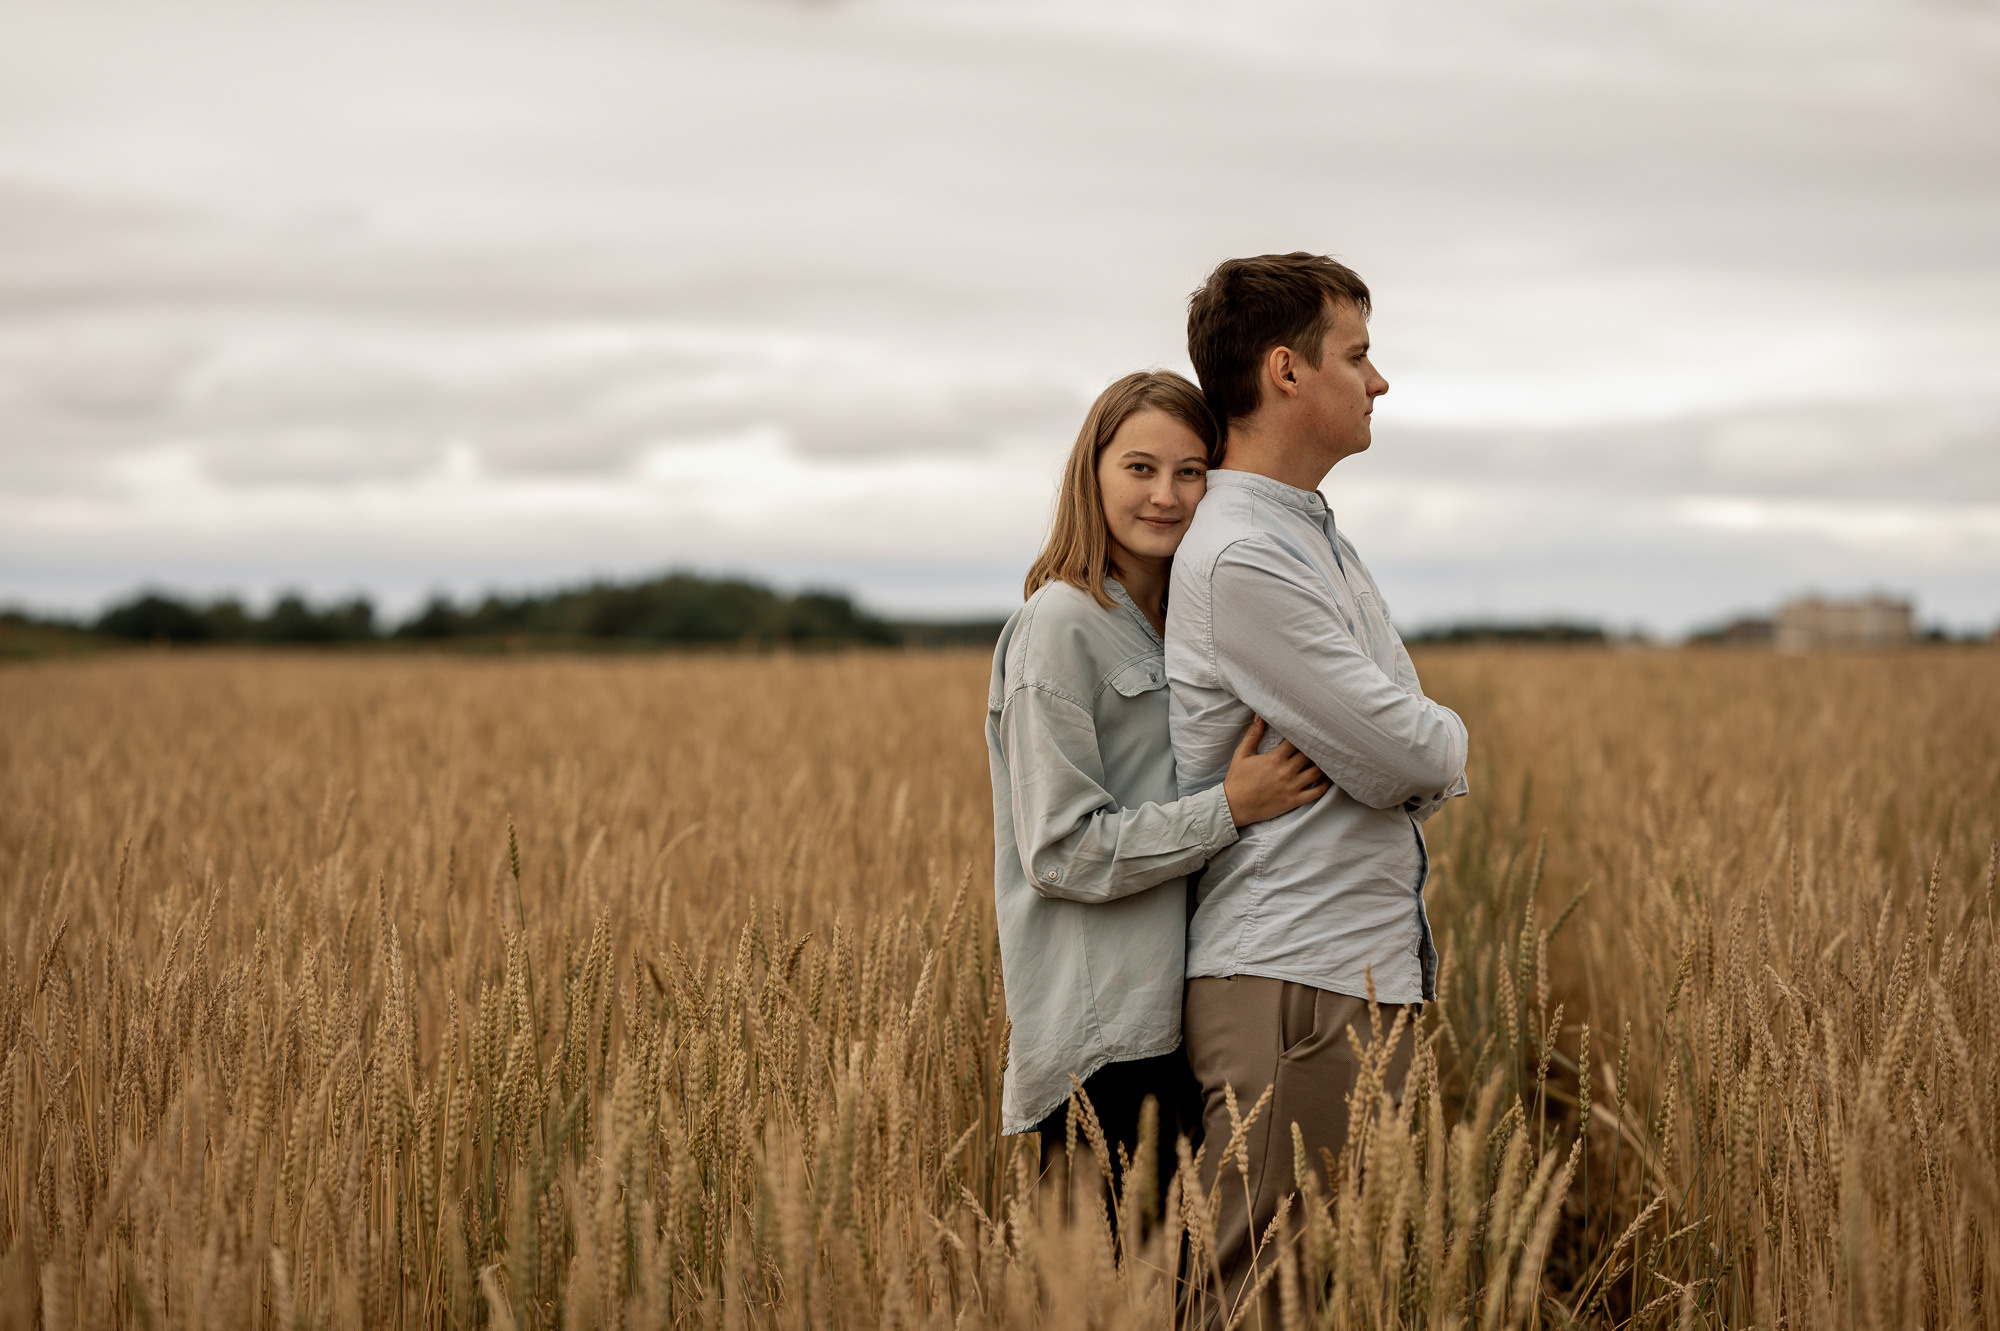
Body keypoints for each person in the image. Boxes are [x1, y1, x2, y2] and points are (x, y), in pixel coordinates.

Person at [1166, 254, 1471, 1325]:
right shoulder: (1249, 556)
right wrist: (1432, 741)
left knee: (1318, 1299)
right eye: (1358, 354)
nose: (1378, 380)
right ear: (1286, 370)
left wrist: (1406, 739)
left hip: (1337, 971)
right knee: (1250, 1303)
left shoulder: (1303, 534)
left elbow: (1390, 740)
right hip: (1292, 982)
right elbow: (1412, 753)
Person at [985, 369, 1330, 1206]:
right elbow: (1061, 851)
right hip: (1106, 1034)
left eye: (1190, 470)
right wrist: (1231, 809)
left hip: (1187, 1011)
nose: (1167, 496)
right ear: (1092, 474)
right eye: (1140, 468)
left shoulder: (1188, 620)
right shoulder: (1060, 625)